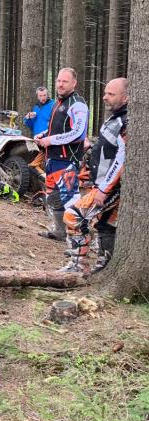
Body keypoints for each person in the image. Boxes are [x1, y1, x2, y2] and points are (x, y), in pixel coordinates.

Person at [60, 78, 128, 274]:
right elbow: (109, 148)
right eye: (105, 93)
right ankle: (104, 267)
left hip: (112, 186)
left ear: (126, 97)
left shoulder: (127, 121)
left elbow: (122, 159)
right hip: (103, 183)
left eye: (111, 94)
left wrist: (104, 189)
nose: (104, 97)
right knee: (105, 224)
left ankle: (78, 265)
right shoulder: (115, 117)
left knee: (72, 215)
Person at [35, 68, 89, 242]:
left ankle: (79, 240)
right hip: (53, 158)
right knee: (54, 197)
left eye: (65, 81)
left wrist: (51, 140)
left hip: (67, 160)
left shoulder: (78, 104)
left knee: (70, 199)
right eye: (58, 80)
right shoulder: (58, 102)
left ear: (74, 83)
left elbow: (78, 133)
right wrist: (43, 135)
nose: (60, 84)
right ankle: (60, 231)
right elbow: (56, 127)